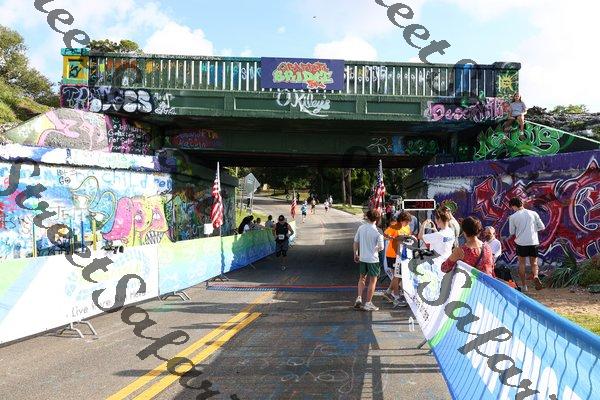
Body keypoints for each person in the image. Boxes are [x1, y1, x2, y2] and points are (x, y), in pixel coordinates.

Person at [508, 197, 545, 291]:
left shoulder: (513, 217)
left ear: (513, 206)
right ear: (522, 204)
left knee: (522, 264)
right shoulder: (533, 213)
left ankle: (524, 286)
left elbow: (512, 232)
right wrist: (533, 230)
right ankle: (536, 276)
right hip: (533, 242)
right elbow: (542, 227)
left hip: (521, 243)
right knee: (534, 263)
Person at [353, 209, 384, 311]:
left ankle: (359, 297)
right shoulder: (378, 231)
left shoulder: (361, 227)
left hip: (362, 257)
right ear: (377, 219)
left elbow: (356, 241)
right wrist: (375, 248)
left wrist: (355, 253)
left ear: (367, 217)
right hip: (373, 259)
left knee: (362, 278)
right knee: (373, 281)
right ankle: (368, 303)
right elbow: (381, 247)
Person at [383, 212, 413, 307]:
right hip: (392, 254)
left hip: (402, 255)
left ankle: (388, 292)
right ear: (401, 220)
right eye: (406, 222)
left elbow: (408, 237)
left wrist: (410, 239)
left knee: (400, 276)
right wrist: (392, 238)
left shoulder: (407, 227)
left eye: (408, 222)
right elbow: (384, 235)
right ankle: (396, 297)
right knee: (396, 276)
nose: (407, 224)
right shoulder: (394, 226)